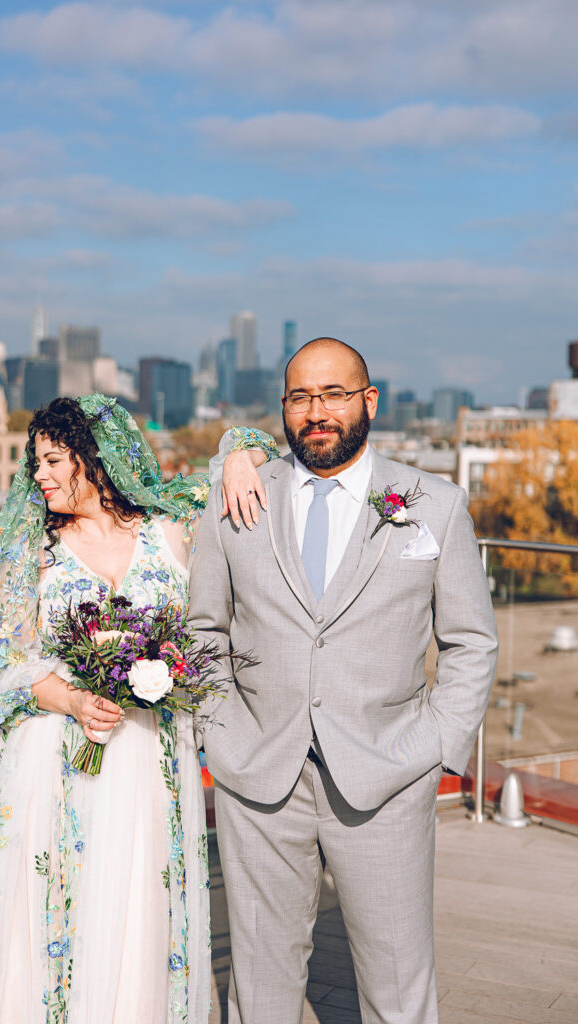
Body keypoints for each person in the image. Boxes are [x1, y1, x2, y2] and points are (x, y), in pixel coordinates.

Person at [0, 394, 276, 1024]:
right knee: (51, 906)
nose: (37, 474)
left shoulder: (171, 529)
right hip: (55, 757)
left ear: (93, 458)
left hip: (150, 757)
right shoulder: (32, 550)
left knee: (135, 907)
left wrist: (237, 457)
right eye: (34, 461)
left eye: (51, 459)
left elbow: (256, 440)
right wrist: (72, 698)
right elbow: (3, 663)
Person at [188, 337, 498, 1024]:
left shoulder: (434, 505)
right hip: (258, 772)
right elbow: (202, 630)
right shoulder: (234, 500)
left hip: (387, 776)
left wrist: (436, 747)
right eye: (300, 397)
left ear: (368, 400)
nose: (315, 411)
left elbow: (470, 641)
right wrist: (218, 729)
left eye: (332, 393)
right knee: (260, 987)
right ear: (283, 409)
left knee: (396, 984)